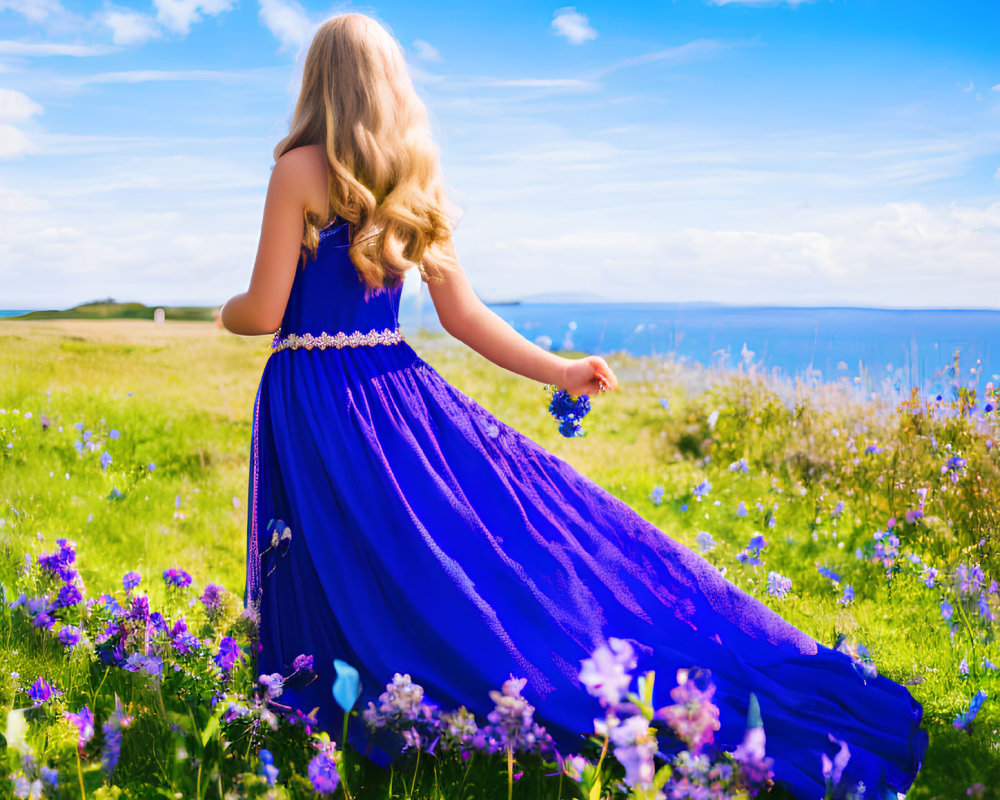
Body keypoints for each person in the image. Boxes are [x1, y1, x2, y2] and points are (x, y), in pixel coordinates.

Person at [221, 13, 926, 798]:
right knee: (418, 549)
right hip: (394, 391)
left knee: (337, 543)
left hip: (315, 393)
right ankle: (406, 686)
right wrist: (558, 370)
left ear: (316, 81)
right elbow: (464, 316)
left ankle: (336, 694)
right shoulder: (412, 181)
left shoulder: (297, 171)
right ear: (390, 86)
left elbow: (264, 307)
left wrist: (225, 311)